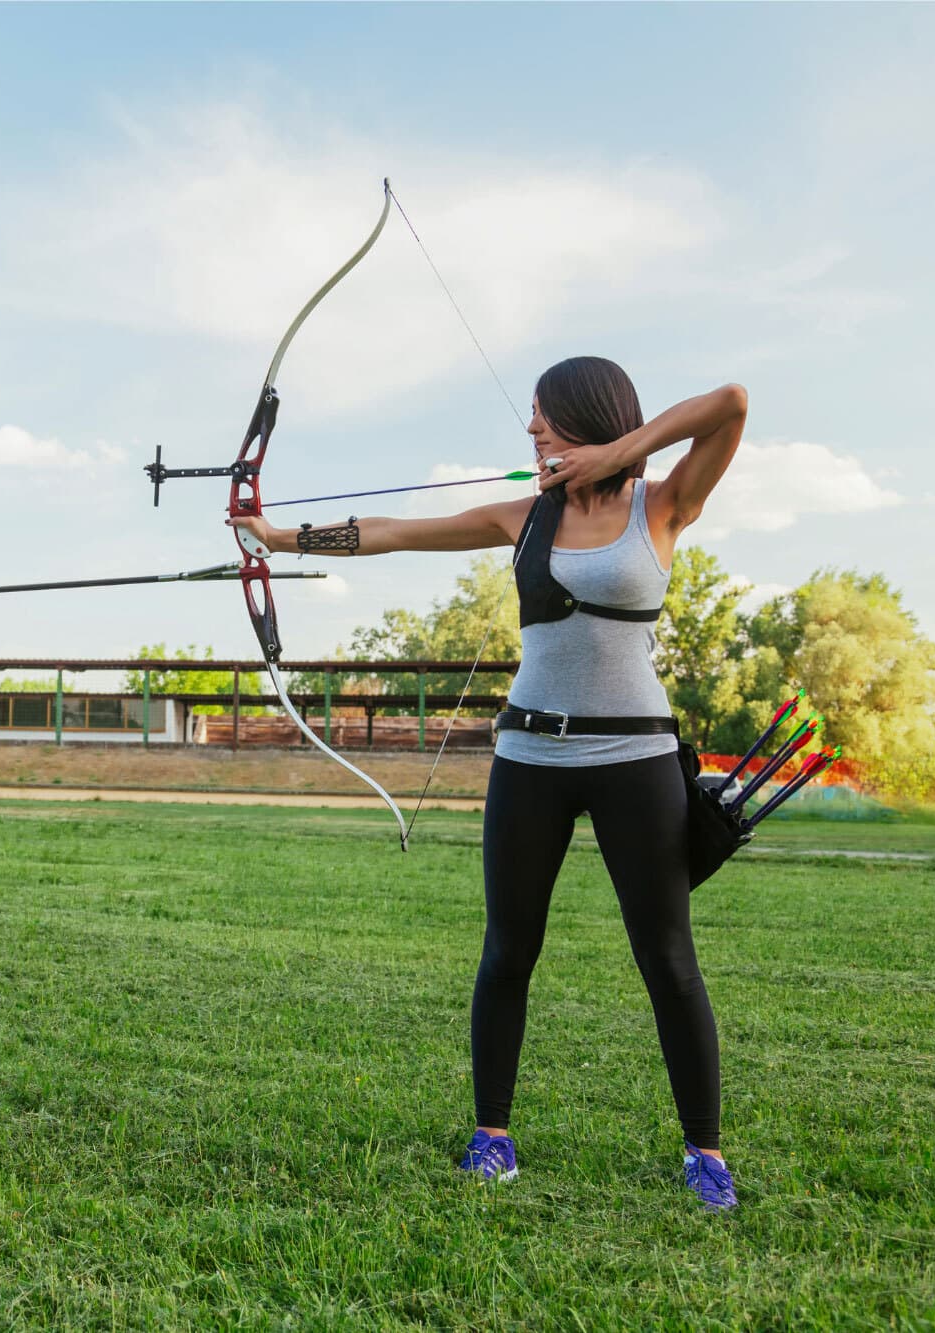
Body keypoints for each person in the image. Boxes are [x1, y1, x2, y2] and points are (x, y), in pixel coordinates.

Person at [231, 356, 748, 1212]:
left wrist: (619, 453)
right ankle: (493, 1137)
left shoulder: (662, 505)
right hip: (530, 758)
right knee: (508, 950)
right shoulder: (526, 515)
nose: (532, 429)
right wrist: (281, 537)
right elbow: (398, 532)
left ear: (589, 414)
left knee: (667, 958)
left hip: (636, 759)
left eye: (545, 415)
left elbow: (730, 403)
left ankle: (706, 1152)